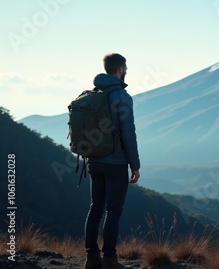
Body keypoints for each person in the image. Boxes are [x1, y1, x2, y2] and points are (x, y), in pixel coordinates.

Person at [83, 53, 140, 269]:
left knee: (95, 208)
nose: (126, 71)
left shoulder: (92, 95)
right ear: (120, 69)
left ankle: (91, 258)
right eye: (126, 68)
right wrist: (135, 165)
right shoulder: (122, 97)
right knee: (113, 211)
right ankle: (109, 259)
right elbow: (128, 134)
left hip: (94, 161)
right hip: (115, 163)